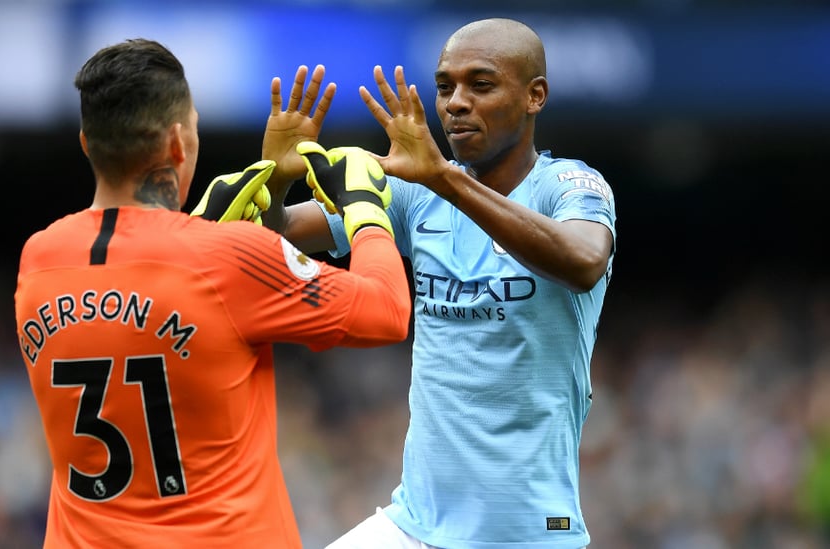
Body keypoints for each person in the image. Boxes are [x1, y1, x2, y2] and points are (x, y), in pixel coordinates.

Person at [13, 38, 411, 548]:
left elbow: (142, 296)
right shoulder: (228, 259)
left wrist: (209, 225)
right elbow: (387, 311)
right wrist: (366, 209)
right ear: (179, 143)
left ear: (87, 143)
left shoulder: (39, 259)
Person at [263, 18, 617, 548]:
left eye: (481, 84)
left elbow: (585, 258)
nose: (455, 103)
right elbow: (279, 236)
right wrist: (275, 176)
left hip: (528, 534)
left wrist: (443, 178)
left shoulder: (566, 186)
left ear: (534, 96)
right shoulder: (416, 194)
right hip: (415, 525)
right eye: (445, 86)